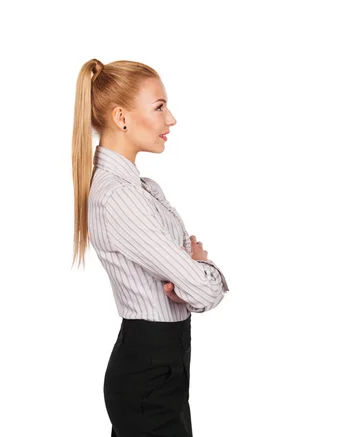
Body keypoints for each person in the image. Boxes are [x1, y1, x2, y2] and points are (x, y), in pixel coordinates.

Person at [71, 58, 230, 436]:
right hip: (149, 369)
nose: (170, 119)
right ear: (122, 117)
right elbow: (204, 288)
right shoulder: (120, 197)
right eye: (159, 107)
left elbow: (191, 285)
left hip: (163, 363)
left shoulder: (145, 189)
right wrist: (199, 266)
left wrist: (189, 273)